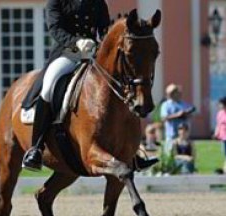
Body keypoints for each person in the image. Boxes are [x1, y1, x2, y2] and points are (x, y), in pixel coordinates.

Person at [22, 0, 158, 171]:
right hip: (66, 54)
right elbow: (55, 29)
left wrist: (103, 41)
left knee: (122, 86)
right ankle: (36, 148)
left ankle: (131, 151)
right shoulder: (56, 2)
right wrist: (76, 42)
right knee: (49, 86)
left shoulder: (98, 2)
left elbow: (104, 29)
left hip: (94, 54)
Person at [161, 84, 195, 153]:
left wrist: (186, 114)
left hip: (183, 136)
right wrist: (178, 115)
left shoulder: (183, 104)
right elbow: (164, 118)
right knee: (169, 155)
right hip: (171, 135)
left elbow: (190, 113)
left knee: (182, 155)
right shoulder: (166, 105)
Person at [213, 97, 226, 173]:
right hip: (223, 137)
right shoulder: (220, 113)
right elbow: (218, 124)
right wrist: (216, 133)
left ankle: (224, 170)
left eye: (221, 104)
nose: (220, 105)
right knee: (225, 154)